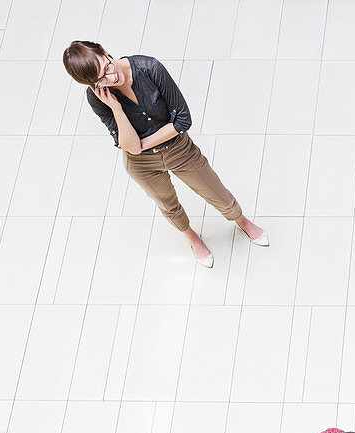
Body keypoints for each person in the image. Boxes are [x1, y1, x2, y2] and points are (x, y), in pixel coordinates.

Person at [62, 40, 269, 268]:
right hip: (141, 165)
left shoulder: (149, 68)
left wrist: (142, 145)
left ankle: (241, 220)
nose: (110, 79)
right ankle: (191, 238)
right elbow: (127, 146)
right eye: (100, 79)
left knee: (216, 192)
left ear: (104, 51)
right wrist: (116, 109)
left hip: (179, 148)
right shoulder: (98, 97)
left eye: (107, 67)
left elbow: (182, 120)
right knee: (168, 204)